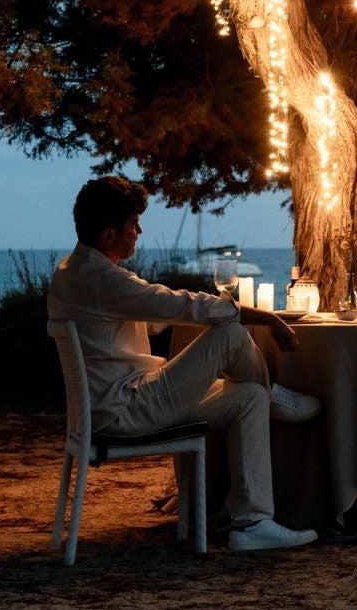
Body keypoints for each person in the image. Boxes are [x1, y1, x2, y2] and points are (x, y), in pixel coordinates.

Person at [47, 176, 321, 552]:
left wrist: (188, 313)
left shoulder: (73, 270)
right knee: (228, 333)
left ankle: (252, 523)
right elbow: (180, 304)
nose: (139, 231)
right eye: (132, 225)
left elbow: (155, 312)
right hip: (126, 407)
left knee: (248, 397)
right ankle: (273, 391)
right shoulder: (100, 278)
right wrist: (268, 318)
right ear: (110, 234)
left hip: (114, 403)